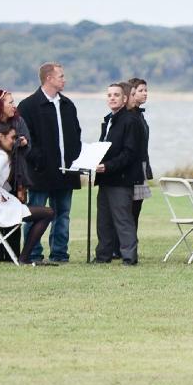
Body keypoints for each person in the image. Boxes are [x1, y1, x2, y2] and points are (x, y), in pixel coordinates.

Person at [18, 63, 81, 265]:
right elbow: (25, 140)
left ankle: (60, 254)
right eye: (61, 76)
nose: (64, 79)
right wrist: (39, 160)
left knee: (63, 214)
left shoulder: (68, 105)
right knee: (36, 213)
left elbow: (76, 134)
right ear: (48, 78)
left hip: (66, 171)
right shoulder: (28, 106)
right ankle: (33, 254)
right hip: (40, 172)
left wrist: (76, 159)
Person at [0, 124, 54, 263]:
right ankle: (24, 258)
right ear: (1, 137)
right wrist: (1, 198)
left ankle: (22, 257)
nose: (15, 141)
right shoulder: (0, 157)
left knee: (41, 212)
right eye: (12, 138)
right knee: (48, 212)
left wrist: (6, 195)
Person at [91, 81, 141, 265]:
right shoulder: (108, 120)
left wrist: (108, 166)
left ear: (125, 98)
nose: (112, 98)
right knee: (103, 220)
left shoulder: (130, 121)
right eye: (109, 95)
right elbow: (102, 147)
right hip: (105, 178)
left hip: (121, 179)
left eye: (116, 95)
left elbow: (129, 153)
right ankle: (103, 255)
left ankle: (129, 257)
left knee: (122, 219)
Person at [124, 78, 153, 235]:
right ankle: (124, 245)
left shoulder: (140, 116)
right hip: (132, 169)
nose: (145, 94)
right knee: (128, 209)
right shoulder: (129, 116)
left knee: (136, 209)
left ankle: (131, 242)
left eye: (145, 90)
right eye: (141, 91)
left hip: (141, 167)